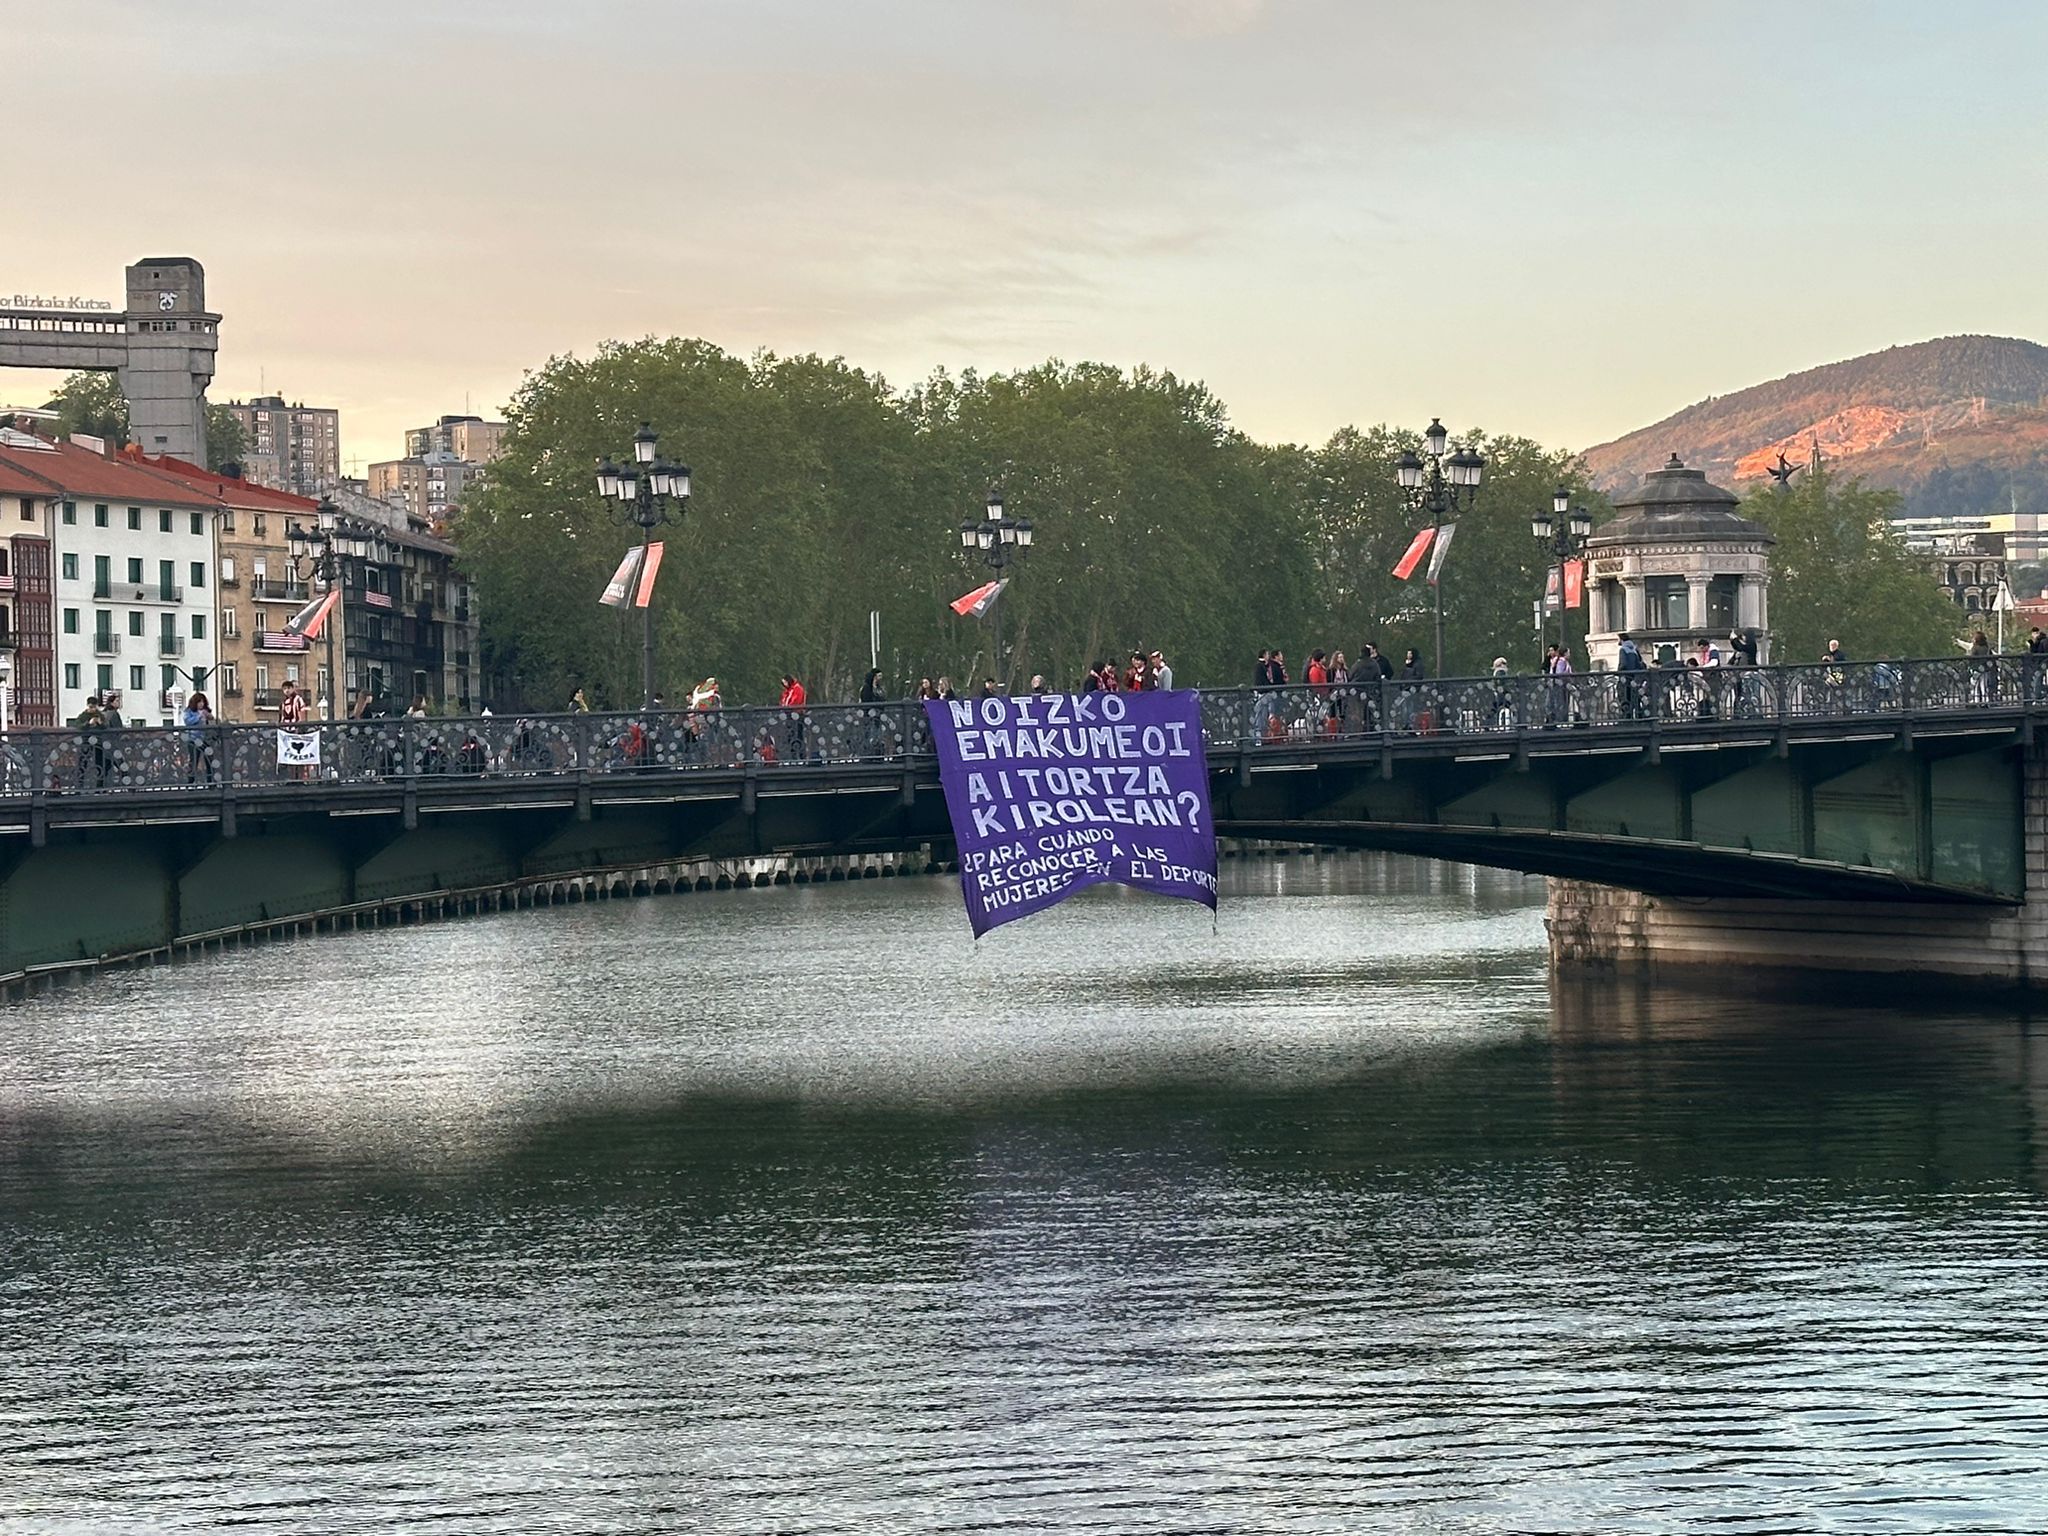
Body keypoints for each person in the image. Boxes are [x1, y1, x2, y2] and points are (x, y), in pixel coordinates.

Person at [182, 691, 215, 784]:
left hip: (205, 739)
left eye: (203, 702)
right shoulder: (189, 712)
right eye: (199, 702)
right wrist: (199, 716)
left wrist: (209, 717)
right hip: (193, 739)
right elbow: (188, 721)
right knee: (194, 761)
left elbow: (212, 720)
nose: (202, 704)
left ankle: (210, 782)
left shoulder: (205, 711)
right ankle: (190, 782)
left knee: (209, 760)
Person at [280, 680, 310, 781]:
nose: (287, 691)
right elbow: (283, 716)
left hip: (296, 730)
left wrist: (300, 726)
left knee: (297, 755)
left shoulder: (298, 699)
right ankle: (289, 776)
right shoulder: (284, 702)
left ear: (292, 688)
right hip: (287, 731)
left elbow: (302, 712)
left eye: (288, 688)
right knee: (288, 754)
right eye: (284, 689)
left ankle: (298, 777)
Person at [1616, 633, 1646, 719]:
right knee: (1635, 697)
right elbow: (1639, 664)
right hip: (1634, 678)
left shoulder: (1623, 649)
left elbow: (1623, 663)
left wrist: (1619, 671)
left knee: (1624, 697)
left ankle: (1626, 717)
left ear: (1621, 640)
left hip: (1626, 678)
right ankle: (1639, 716)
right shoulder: (1634, 649)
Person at [779, 672, 808, 760]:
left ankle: (800, 757)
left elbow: (795, 701)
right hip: (790, 715)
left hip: (797, 715)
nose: (784, 685)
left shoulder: (797, 688)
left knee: (797, 735)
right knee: (791, 736)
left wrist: (787, 707)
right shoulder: (789, 690)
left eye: (785, 682)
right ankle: (794, 756)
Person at [1967, 630, 1994, 706]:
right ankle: (1986, 701)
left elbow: (1971, 658)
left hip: (1976, 669)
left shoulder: (1975, 648)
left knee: (1975, 686)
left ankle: (1976, 700)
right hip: (1985, 669)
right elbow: (1991, 658)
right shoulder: (1987, 648)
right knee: (1984, 686)